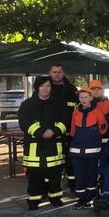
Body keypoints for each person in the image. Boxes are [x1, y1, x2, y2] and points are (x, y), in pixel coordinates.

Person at [18, 77, 66, 210]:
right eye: (42, 86)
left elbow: (65, 122)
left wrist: (54, 131)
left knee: (55, 175)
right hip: (34, 148)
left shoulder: (58, 104)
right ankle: (34, 200)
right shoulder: (27, 105)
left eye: (48, 86)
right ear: (37, 88)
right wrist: (40, 132)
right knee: (34, 176)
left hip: (53, 146)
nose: (45, 88)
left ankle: (55, 198)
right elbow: (24, 123)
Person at [69, 87, 108, 208]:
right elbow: (72, 131)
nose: (84, 100)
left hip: (92, 151)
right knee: (79, 175)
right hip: (77, 151)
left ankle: (90, 197)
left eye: (86, 97)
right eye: (81, 97)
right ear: (78, 99)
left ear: (91, 98)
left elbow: (103, 128)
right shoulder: (75, 112)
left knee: (91, 175)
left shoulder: (97, 112)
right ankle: (81, 198)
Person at [48, 64, 79, 192]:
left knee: (71, 159)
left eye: (59, 72)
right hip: (51, 131)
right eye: (54, 72)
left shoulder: (71, 89)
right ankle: (51, 187)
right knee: (52, 160)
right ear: (50, 73)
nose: (57, 74)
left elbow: (78, 109)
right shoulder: (45, 87)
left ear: (64, 73)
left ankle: (73, 185)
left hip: (69, 131)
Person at [89, 80, 109, 145]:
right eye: (93, 89)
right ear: (89, 91)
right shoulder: (85, 105)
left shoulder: (108, 104)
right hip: (90, 136)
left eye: (98, 89)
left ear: (102, 91)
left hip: (106, 136)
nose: (96, 91)